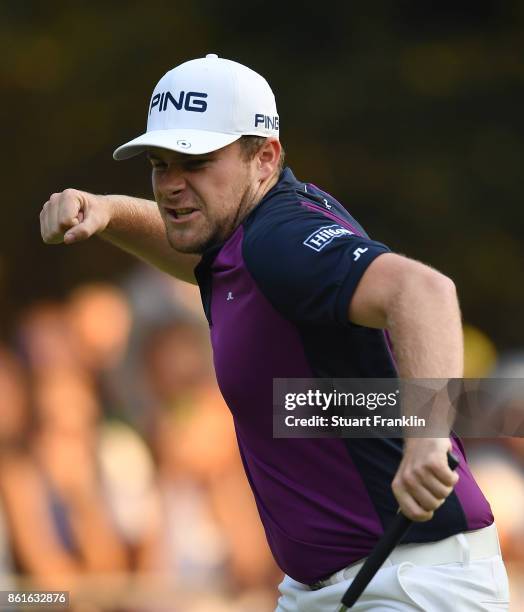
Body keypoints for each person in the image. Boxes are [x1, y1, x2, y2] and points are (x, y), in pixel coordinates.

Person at [40, 54, 509, 610]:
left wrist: (427, 438)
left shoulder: (280, 239)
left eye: (196, 160)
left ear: (264, 157)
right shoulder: (244, 240)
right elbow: (195, 252)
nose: (171, 185)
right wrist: (109, 211)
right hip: (345, 585)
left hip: (407, 583)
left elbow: (424, 291)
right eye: (161, 164)